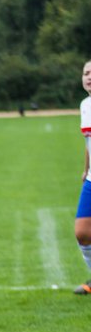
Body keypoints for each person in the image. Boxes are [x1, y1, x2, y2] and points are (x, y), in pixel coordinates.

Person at [74, 59, 91, 296]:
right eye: (86, 73)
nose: (89, 76)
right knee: (82, 232)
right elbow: (89, 142)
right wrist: (86, 169)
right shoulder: (85, 105)